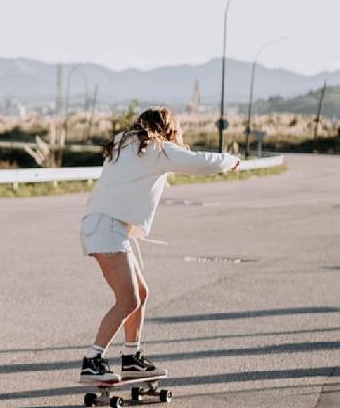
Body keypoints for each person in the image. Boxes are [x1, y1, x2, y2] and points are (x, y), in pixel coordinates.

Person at [78, 106, 240, 382]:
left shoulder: (124, 143)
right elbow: (200, 162)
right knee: (127, 300)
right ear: (167, 128)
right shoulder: (155, 149)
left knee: (140, 293)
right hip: (107, 228)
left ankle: (131, 357)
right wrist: (231, 160)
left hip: (105, 225)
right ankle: (93, 360)